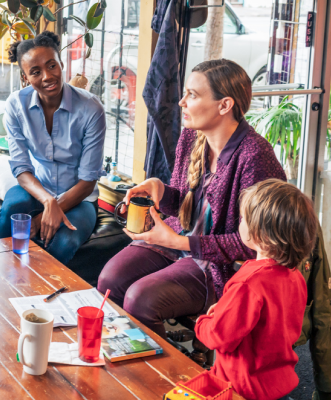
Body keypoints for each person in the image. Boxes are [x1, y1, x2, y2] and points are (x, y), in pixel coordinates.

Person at [97, 59, 286, 338]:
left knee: (140, 299)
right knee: (109, 281)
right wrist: (160, 191)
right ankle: (125, 356)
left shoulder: (255, 157)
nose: (182, 102)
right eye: (185, 93)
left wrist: (180, 242)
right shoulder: (191, 136)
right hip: (178, 242)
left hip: (220, 266)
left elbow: (255, 245)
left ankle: (161, 377)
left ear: (225, 105)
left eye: (193, 95)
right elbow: (184, 204)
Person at [0, 32, 105, 264]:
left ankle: (39, 295)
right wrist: (48, 202)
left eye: (52, 65)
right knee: (11, 211)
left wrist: (44, 216)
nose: (47, 76)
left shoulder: (91, 109)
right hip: (36, 189)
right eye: (35, 72)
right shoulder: (16, 105)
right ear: (25, 78)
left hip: (79, 199)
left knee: (65, 241)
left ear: (62, 64)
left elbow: (87, 182)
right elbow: (22, 168)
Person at [195, 179, 314, 400]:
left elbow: (219, 338)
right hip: (278, 385)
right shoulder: (295, 276)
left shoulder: (249, 284)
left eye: (243, 219)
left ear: (260, 235)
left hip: (242, 389)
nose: (240, 223)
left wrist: (204, 322)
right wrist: (225, 309)